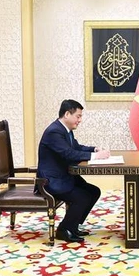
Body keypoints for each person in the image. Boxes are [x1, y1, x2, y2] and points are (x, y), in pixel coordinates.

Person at [37, 99, 110, 243]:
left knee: (93, 191)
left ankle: (73, 225)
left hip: (65, 176)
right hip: (51, 181)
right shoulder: (54, 132)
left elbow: (76, 147)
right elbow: (68, 154)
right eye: (78, 116)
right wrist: (95, 156)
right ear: (66, 114)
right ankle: (63, 230)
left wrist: (94, 149)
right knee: (82, 197)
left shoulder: (65, 130)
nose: (80, 120)